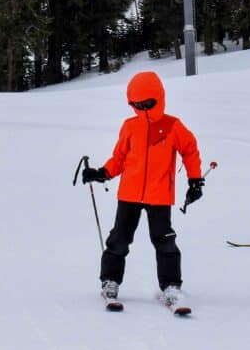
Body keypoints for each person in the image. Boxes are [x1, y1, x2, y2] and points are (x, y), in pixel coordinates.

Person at [81, 71, 205, 308]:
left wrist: (195, 179)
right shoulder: (130, 126)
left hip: (159, 195)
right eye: (136, 104)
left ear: (158, 98)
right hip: (129, 193)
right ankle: (110, 281)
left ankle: (171, 286)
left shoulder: (172, 126)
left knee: (164, 240)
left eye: (147, 103)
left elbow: (189, 150)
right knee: (119, 238)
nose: (142, 108)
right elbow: (119, 158)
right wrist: (102, 173)